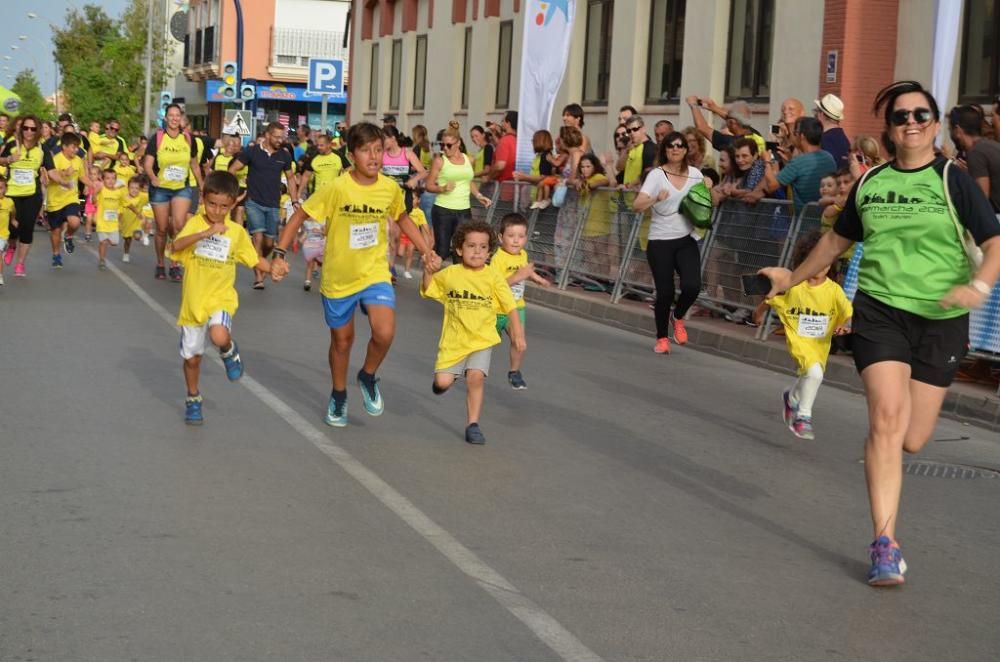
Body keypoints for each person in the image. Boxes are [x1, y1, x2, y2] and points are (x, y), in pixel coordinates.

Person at [761, 80, 1000, 587]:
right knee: (887, 421)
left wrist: (978, 286)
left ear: (934, 125)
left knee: (911, 438)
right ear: (889, 130)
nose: (911, 122)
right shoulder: (871, 184)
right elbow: (834, 241)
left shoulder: (952, 181)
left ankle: (885, 451)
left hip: (940, 320)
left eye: (921, 114)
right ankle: (885, 542)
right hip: (880, 313)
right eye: (901, 117)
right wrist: (791, 276)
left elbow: (995, 241)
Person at [270, 122, 442, 428]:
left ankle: (368, 374)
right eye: (366, 150)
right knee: (342, 341)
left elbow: (402, 219)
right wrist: (280, 253)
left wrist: (426, 250)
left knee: (385, 331)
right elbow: (300, 215)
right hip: (338, 277)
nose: (374, 157)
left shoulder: (389, 188)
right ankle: (338, 395)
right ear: (352, 156)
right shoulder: (337, 188)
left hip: (374, 271)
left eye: (378, 150)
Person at [172, 171, 271, 425]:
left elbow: (252, 259)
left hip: (220, 298)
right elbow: (176, 246)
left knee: (218, 335)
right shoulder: (195, 223)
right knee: (192, 359)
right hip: (193, 303)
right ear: (203, 198)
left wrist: (273, 269)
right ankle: (193, 397)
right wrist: (204, 233)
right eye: (212, 204)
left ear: (233, 204)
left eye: (224, 206)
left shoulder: (236, 232)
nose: (217, 211)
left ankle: (228, 350)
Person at [422, 219, 525, 444]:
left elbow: (510, 305)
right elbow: (430, 288)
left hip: (482, 338)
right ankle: (444, 383)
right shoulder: (450, 274)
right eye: (471, 246)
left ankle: (473, 425)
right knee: (442, 382)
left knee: (476, 378)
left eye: (483, 247)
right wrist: (428, 270)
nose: (477, 252)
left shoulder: (493, 277)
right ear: (459, 248)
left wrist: (518, 334)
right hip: (454, 342)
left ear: (489, 252)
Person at [762, 231, 853, 439]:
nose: (820, 268)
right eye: (814, 263)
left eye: (825, 264)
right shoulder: (793, 286)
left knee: (809, 374)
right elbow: (771, 299)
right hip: (799, 340)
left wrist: (846, 326)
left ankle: (791, 397)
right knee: (815, 374)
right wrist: (758, 312)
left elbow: (848, 313)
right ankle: (803, 417)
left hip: (820, 344)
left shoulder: (834, 291)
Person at [632, 131, 705, 354]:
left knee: (692, 286)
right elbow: (637, 204)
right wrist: (656, 198)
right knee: (665, 292)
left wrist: (709, 187)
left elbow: (705, 201)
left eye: (680, 145)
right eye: (671, 146)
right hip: (660, 240)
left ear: (685, 150)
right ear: (665, 149)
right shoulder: (657, 175)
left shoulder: (695, 174)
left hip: (685, 239)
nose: (676, 149)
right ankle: (662, 338)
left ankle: (678, 316)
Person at [230, 121, 298, 290]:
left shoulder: (284, 155)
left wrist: (295, 200)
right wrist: (231, 191)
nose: (279, 140)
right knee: (257, 237)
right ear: (267, 135)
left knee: (269, 242)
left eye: (282, 137)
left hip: (273, 204)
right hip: (254, 202)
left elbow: (290, 178)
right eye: (276, 137)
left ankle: (261, 262)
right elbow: (233, 169)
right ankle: (258, 275)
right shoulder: (252, 152)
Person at [489, 213, 551, 390]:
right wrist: (517, 277)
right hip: (495, 309)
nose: (516, 241)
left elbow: (526, 271)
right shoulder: (497, 259)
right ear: (501, 238)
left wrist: (538, 279)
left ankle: (514, 372)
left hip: (516, 308)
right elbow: (496, 286)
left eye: (521, 236)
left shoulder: (522, 254)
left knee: (520, 342)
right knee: (484, 344)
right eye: (511, 236)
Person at [144, 103, 203, 281]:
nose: (174, 118)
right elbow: (147, 164)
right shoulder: (158, 138)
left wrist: (202, 185)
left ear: (181, 118)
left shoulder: (187, 139)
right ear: (166, 117)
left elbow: (194, 164)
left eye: (177, 115)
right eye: (171, 115)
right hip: (160, 189)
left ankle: (175, 263)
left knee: (178, 225)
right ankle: (160, 263)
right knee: (162, 229)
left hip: (181, 188)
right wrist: (153, 177)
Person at [426, 121, 492, 261]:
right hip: (443, 210)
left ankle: (457, 282)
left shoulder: (470, 160)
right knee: (442, 252)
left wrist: (479, 195)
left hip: (463, 211)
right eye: (442, 145)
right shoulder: (440, 161)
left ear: (458, 144)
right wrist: (442, 188)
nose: (445, 148)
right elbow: (429, 185)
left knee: (461, 252)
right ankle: (432, 281)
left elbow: (468, 181)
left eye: (448, 145)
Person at [0, 115, 46, 276]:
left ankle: (20, 264)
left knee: (27, 227)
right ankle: (12, 245)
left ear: (37, 130)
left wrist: (64, 180)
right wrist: (8, 159)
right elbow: (1, 160)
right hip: (12, 192)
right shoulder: (12, 144)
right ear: (21, 129)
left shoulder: (41, 148)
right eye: (25, 128)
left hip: (32, 193)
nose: (28, 131)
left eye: (32, 129)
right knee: (12, 226)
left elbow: (52, 170)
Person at [43, 132, 95, 267]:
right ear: (64, 146)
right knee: (55, 231)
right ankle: (56, 255)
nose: (76, 150)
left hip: (71, 198)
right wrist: (63, 173)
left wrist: (92, 184)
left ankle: (69, 236)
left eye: (77, 147)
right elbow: (48, 178)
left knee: (75, 222)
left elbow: (82, 177)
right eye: (73, 147)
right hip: (55, 201)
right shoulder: (55, 159)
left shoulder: (78, 160)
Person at [763, 117, 837, 211]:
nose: (794, 137)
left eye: (795, 133)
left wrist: (767, 161)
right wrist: (790, 161)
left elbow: (771, 186)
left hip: (804, 220)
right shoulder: (829, 157)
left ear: (802, 136)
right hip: (825, 218)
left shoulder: (799, 162)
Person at [950, 104, 1000, 212]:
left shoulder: (976, 152)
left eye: (950, 129)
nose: (950, 134)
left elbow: (981, 199)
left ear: (958, 130)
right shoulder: (991, 146)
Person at [397, 190, 433, 279]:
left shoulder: (420, 212)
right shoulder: (405, 210)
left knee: (410, 253)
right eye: (410, 199)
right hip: (402, 234)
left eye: (413, 199)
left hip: (412, 236)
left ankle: (407, 270)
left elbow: (424, 225)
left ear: (418, 200)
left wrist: (429, 235)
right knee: (400, 253)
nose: (411, 201)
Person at [814, 94, 851, 168]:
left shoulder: (822, 140)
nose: (815, 115)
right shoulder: (844, 139)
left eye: (817, 111)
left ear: (822, 114)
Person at [120, 176, 148, 263]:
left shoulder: (143, 197)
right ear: (128, 188)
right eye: (132, 188)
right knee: (127, 240)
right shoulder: (124, 197)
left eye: (137, 188)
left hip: (137, 222)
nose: (134, 190)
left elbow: (153, 195)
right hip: (126, 223)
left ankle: (143, 234)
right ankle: (126, 253)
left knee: (137, 236)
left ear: (140, 189)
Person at [490, 111, 518, 183]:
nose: (501, 123)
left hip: (504, 186)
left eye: (503, 121)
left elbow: (500, 166)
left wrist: (489, 177)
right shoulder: (519, 140)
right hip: (518, 186)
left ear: (508, 123)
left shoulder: (505, 140)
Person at [0, 178, 14, 285]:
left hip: (2, 235)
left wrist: (13, 220)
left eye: (0, 188)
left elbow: (13, 212)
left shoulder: (9, 202)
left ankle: (0, 275)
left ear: (5, 189)